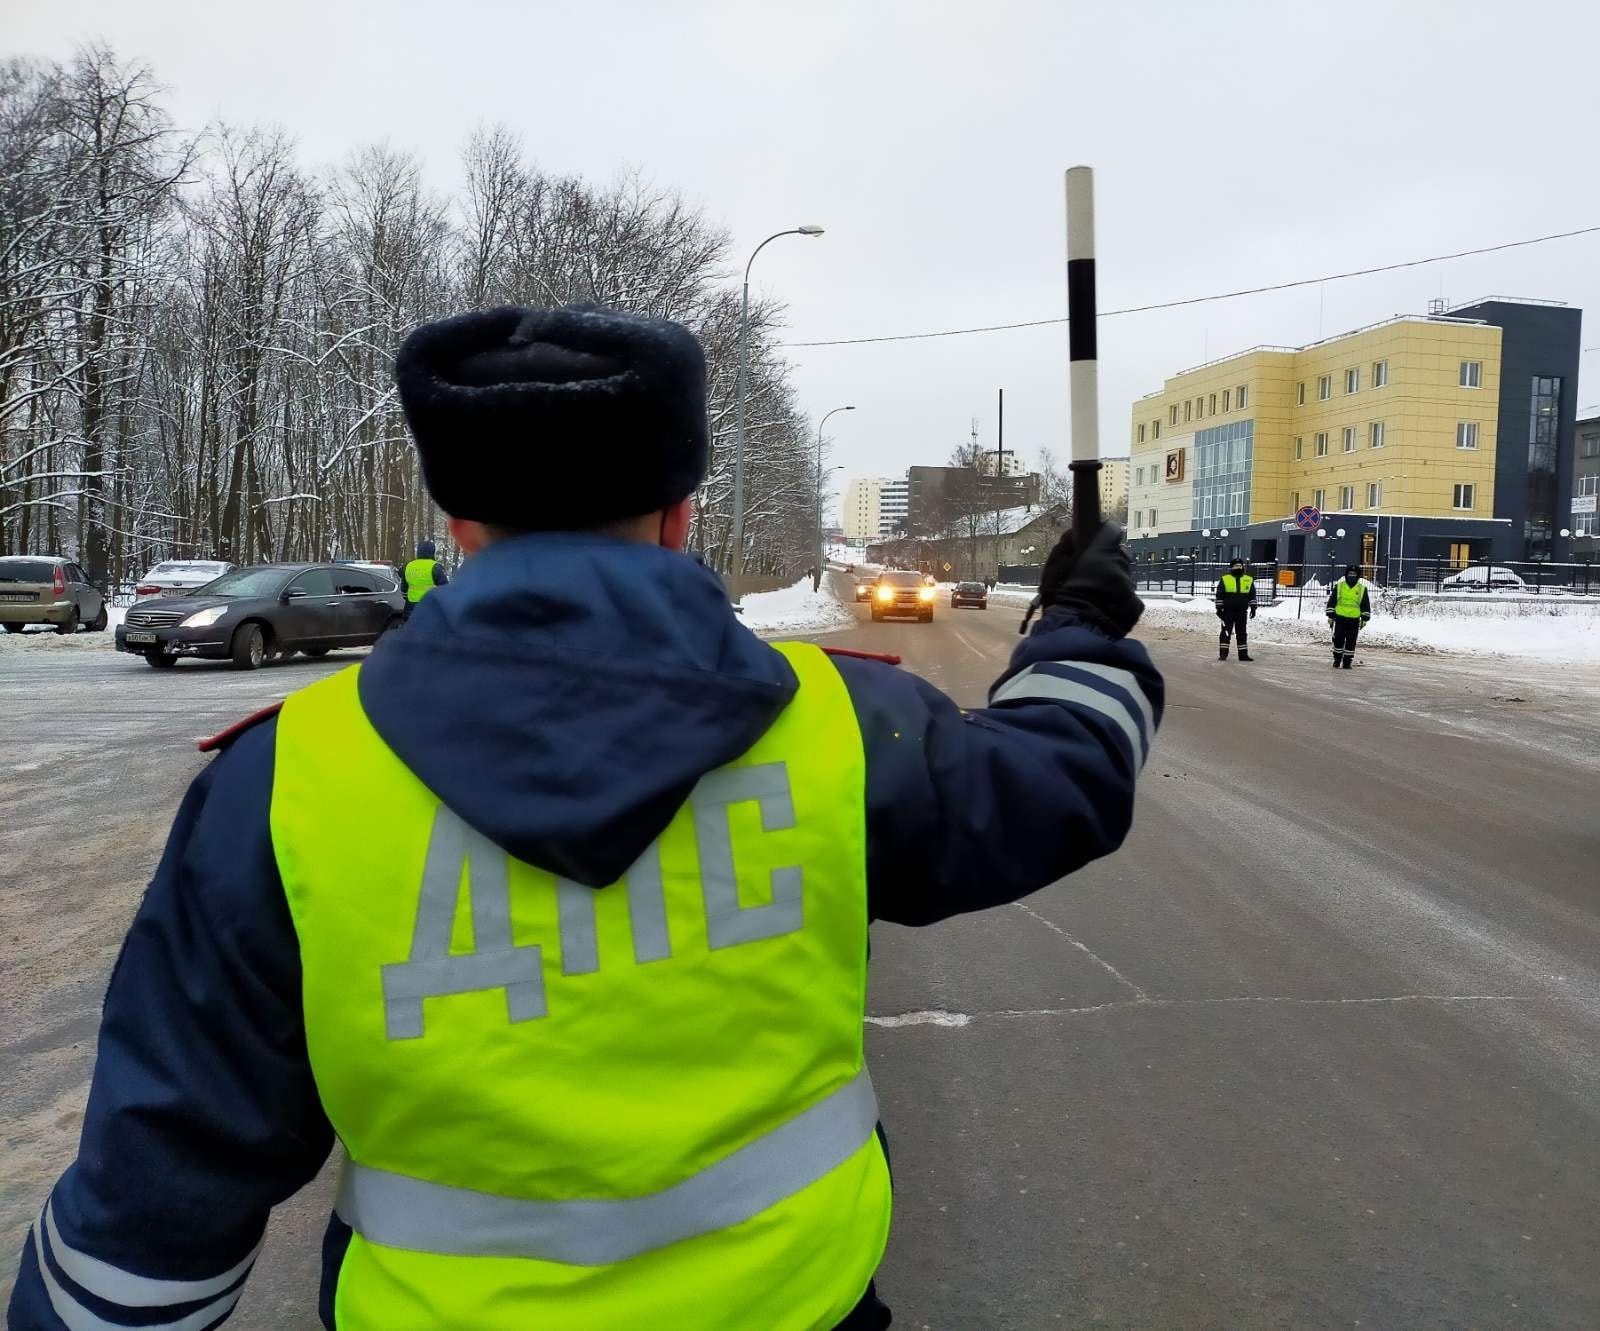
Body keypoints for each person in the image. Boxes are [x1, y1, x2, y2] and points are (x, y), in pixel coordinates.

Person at [8, 304, 1163, 1331]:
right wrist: (1076, 624)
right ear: (678, 513)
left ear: (458, 523)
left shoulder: (284, 785)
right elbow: (1063, 778)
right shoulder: (839, 727)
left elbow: (153, 1206)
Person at [1326, 563, 1371, 668]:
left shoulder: (1362, 589)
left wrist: (1365, 618)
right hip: (1340, 618)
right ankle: (1337, 659)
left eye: (1354, 574)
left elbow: (1365, 605)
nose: (1352, 576)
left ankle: (1347, 661)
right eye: (1350, 573)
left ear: (1358, 575)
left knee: (1351, 641)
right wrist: (1330, 615)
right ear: (1346, 574)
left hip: (1354, 620)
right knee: (1338, 639)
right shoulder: (1340, 586)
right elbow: (1332, 601)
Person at [1213, 557, 1256, 662]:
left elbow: (1252, 595)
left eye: (1240, 566)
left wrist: (1253, 608)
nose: (1239, 567)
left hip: (1242, 612)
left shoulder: (1248, 579)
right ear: (1232, 567)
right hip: (1228, 611)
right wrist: (1219, 609)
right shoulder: (1225, 579)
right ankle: (1223, 655)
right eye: (1236, 566)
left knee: (1242, 633)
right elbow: (1219, 595)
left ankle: (1243, 655)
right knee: (1226, 632)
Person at [401, 537, 447, 616]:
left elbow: (403, 589)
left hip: (411, 608)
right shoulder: (436, 567)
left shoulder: (408, 566)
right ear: (432, 552)